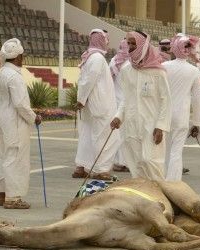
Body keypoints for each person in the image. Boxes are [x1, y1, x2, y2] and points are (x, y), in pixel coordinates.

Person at [110, 31, 171, 181]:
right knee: (136, 165)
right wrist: (118, 116)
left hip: (152, 126)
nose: (129, 47)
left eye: (133, 43)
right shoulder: (126, 70)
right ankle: (144, 199)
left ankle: (159, 197)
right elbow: (126, 98)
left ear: (143, 46)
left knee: (151, 162)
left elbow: (166, 101)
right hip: (131, 125)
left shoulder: (158, 72)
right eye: (128, 43)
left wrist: (161, 126)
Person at [0, 38, 41, 209]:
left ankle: (2, 193)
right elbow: (20, 104)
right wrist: (34, 117)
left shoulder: (1, 72)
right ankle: (13, 198)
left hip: (0, 118)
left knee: (2, 154)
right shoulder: (15, 77)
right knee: (15, 156)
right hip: (14, 121)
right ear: (18, 57)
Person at [72, 29, 120, 180]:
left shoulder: (90, 57)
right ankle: (100, 170)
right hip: (99, 104)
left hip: (91, 103)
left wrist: (81, 99)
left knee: (87, 135)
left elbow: (84, 81)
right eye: (106, 39)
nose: (108, 42)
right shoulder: (97, 58)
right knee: (104, 136)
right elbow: (89, 81)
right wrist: (81, 99)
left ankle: (81, 167)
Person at [163, 34, 200, 181]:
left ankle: (163, 179)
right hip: (181, 116)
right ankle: (173, 182)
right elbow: (197, 99)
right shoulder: (193, 71)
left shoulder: (163, 67)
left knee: (164, 150)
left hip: (164, 115)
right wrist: (197, 123)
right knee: (176, 151)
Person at [108, 39, 130, 172]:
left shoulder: (114, 61)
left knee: (118, 133)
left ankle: (118, 160)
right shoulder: (130, 63)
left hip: (115, 99)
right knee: (124, 133)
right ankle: (121, 162)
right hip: (125, 101)